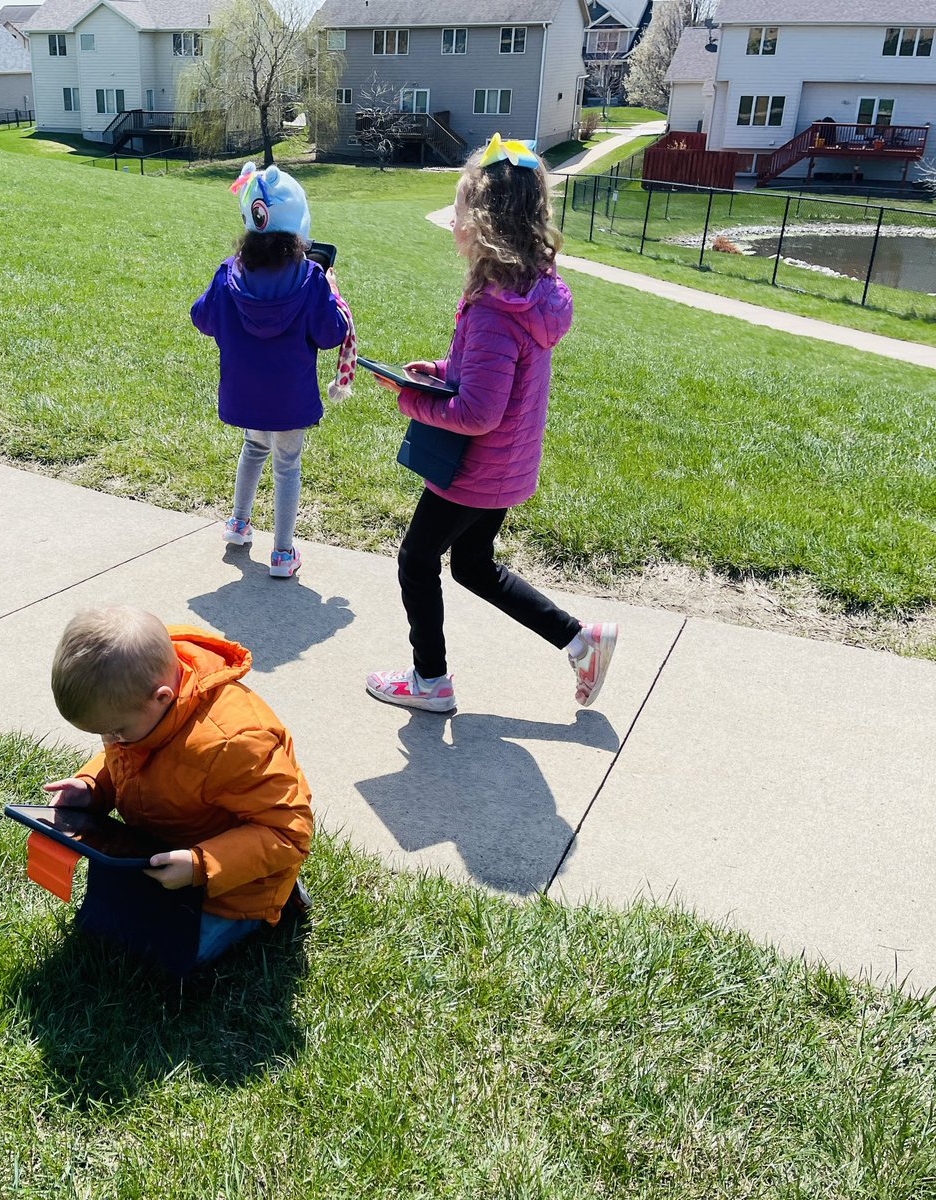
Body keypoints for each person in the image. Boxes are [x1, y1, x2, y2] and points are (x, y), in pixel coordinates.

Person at [366, 134, 618, 714]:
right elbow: (489, 375)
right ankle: (582, 641)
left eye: (458, 211)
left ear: (481, 223)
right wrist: (441, 370)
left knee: (416, 559)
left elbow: (478, 412)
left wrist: (412, 401)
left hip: (474, 470)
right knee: (473, 565)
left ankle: (430, 681)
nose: (452, 221)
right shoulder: (530, 293)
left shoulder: (492, 309)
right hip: (508, 465)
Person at [44, 606, 313, 970]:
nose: (112, 741)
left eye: (117, 731)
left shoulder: (233, 742)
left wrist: (201, 865)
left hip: (233, 884)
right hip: (162, 848)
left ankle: (276, 901)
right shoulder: (138, 697)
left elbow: (290, 832)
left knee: (164, 954)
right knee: (104, 928)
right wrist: (91, 787)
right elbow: (127, 760)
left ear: (162, 697)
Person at [192, 162, 350, 579]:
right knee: (287, 465)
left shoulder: (230, 272)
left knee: (253, 448)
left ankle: (239, 523)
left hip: (245, 394)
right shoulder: (312, 276)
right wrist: (332, 291)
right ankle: (282, 553)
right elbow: (331, 333)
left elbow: (202, 318)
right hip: (290, 398)